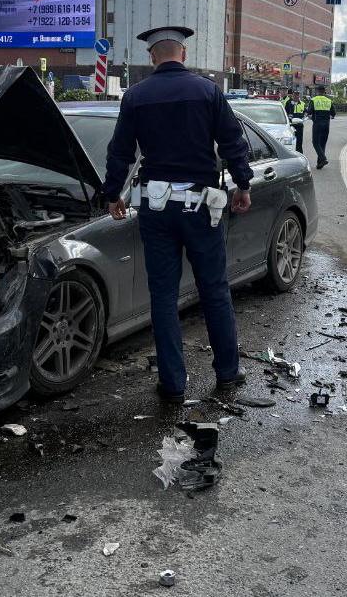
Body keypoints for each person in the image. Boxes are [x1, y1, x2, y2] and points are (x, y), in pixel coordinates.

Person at [103, 25, 254, 404]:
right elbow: (232, 140)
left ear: (153, 57)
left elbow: (119, 150)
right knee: (215, 290)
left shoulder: (135, 96)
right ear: (182, 54)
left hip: (156, 208)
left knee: (163, 296)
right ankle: (227, 373)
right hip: (203, 207)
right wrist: (243, 184)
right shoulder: (207, 91)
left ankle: (172, 383)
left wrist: (112, 194)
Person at [308, 84, 335, 168]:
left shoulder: (313, 100)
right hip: (326, 124)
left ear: (317, 91)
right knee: (322, 143)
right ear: (324, 91)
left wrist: (310, 116)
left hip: (317, 123)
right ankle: (320, 164)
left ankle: (323, 159)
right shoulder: (329, 100)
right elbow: (333, 113)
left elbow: (309, 112)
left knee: (315, 142)